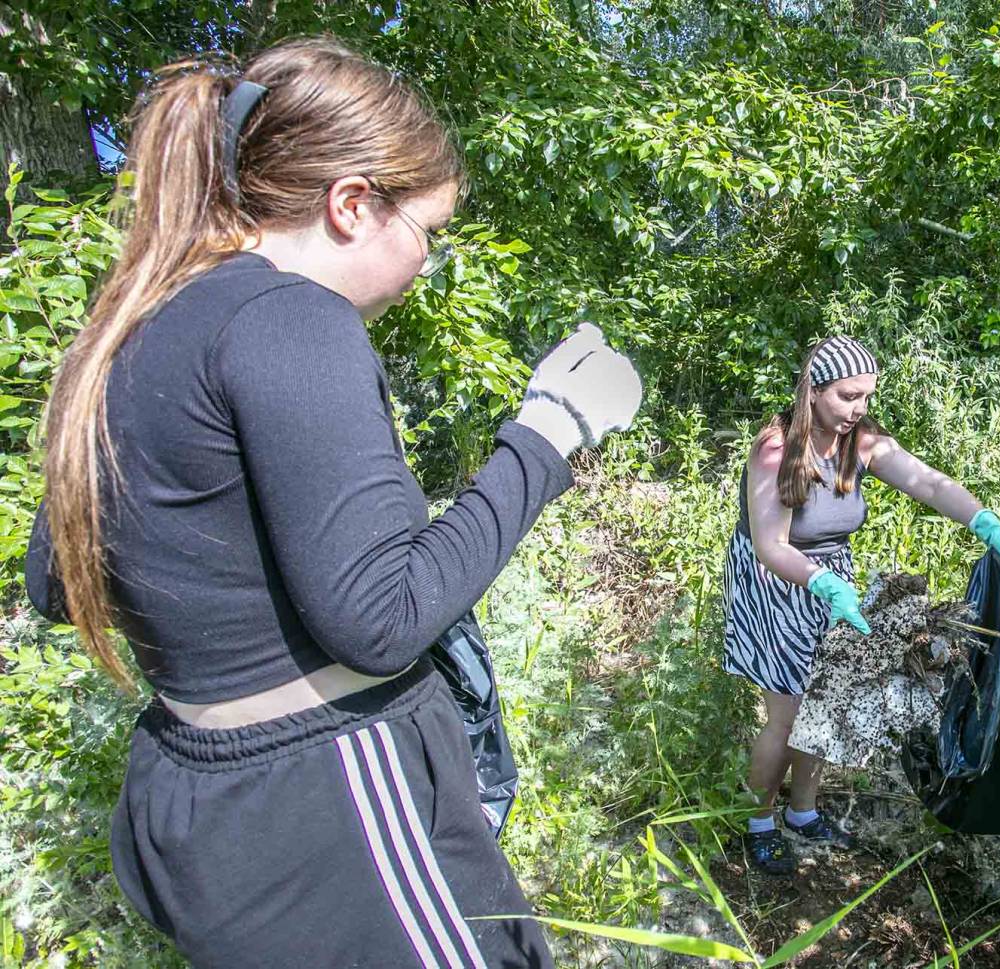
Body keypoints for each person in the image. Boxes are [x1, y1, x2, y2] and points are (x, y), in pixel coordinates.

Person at [23, 38, 641, 969]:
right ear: (352, 204)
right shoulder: (290, 315)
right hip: (333, 794)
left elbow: (56, 582)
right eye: (427, 232)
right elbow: (382, 619)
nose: (426, 263)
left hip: (200, 805)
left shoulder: (134, 322)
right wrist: (548, 432)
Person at [722, 335, 1000, 875]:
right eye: (845, 396)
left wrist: (982, 519)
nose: (856, 409)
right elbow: (771, 546)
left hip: (832, 574)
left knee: (831, 701)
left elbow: (928, 484)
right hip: (776, 580)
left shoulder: (860, 441)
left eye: (865, 397)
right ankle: (758, 822)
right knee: (789, 717)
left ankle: (803, 812)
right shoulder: (776, 449)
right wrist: (825, 586)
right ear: (813, 391)